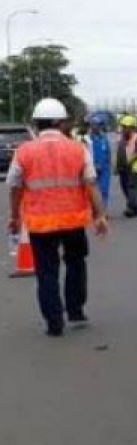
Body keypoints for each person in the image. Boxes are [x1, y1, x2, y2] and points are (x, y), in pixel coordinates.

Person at [5, 98, 109, 336]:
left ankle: (54, 322)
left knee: (47, 272)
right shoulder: (77, 148)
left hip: (41, 224)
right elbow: (91, 184)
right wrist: (100, 215)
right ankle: (75, 310)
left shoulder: (24, 151)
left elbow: (14, 186)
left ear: (36, 123)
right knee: (76, 264)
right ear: (61, 123)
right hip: (73, 221)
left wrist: (14, 216)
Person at [115, 115, 137, 217]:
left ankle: (131, 208)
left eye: (126, 127)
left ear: (133, 128)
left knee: (132, 188)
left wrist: (130, 161)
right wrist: (117, 166)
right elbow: (119, 152)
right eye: (123, 127)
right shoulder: (121, 138)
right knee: (124, 187)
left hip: (135, 168)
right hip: (124, 168)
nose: (124, 129)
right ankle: (135, 206)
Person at [82, 115, 113, 209]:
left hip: (104, 169)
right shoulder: (87, 139)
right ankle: (94, 209)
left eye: (98, 125)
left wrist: (109, 163)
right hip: (92, 168)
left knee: (104, 190)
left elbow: (108, 152)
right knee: (91, 190)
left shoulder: (104, 138)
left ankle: (103, 210)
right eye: (94, 125)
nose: (96, 127)